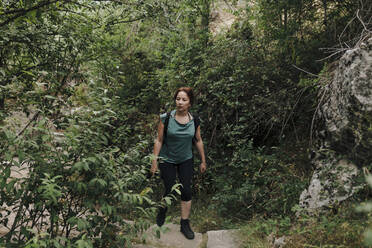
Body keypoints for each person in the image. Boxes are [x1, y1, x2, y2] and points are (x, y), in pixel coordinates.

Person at [151, 87, 206, 240]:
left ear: (190, 103)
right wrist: (154, 160)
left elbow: (198, 140)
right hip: (167, 159)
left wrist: (203, 160)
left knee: (186, 190)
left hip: (186, 159)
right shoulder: (166, 118)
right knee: (169, 188)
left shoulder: (194, 120)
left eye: (184, 100)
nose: (180, 102)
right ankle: (162, 210)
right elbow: (159, 140)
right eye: (178, 99)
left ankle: (185, 223)